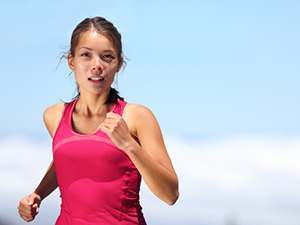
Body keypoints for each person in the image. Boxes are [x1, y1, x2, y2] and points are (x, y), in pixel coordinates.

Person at [17, 16, 179, 225]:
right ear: (71, 61)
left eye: (107, 57)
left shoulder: (137, 117)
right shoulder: (54, 116)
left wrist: (129, 145)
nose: (97, 65)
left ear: (119, 64)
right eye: (86, 55)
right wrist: (38, 194)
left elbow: (170, 194)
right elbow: (70, 161)